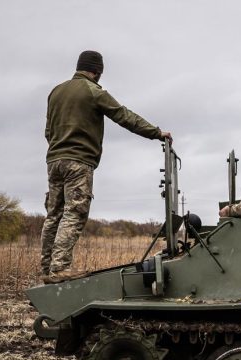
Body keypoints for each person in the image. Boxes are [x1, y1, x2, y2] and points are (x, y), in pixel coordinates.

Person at [41, 50, 172, 284]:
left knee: (54, 215)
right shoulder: (93, 91)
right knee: (75, 212)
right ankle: (60, 268)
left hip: (54, 161)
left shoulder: (56, 92)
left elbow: (48, 131)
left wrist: (59, 147)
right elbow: (123, 116)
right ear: (97, 71)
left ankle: (47, 267)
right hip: (78, 162)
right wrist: (156, 133)